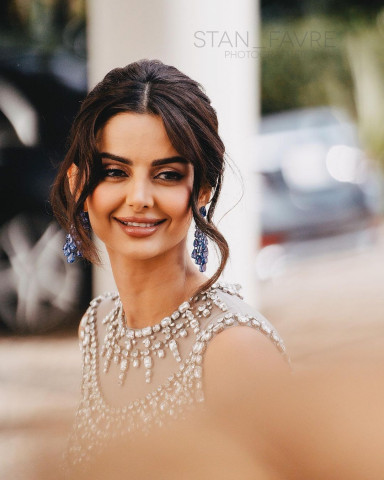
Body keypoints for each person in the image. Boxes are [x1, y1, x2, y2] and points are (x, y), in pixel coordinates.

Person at [50, 58, 288, 472]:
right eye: (114, 171)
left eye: (166, 175)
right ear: (77, 184)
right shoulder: (99, 323)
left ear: (201, 192)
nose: (139, 197)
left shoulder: (234, 348)